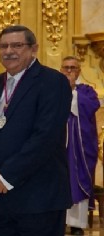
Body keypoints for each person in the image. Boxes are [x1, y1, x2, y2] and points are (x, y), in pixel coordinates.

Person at [0, 25, 72, 235]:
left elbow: (45, 137)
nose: (9, 51)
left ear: (33, 49)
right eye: (4, 46)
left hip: (38, 197)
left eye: (17, 45)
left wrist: (7, 175)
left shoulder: (53, 81)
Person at [60, 56, 100, 236]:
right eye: (66, 68)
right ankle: (59, 221)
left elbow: (92, 105)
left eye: (73, 68)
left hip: (81, 147)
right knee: (59, 182)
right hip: (59, 147)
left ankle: (77, 225)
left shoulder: (87, 91)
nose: (69, 71)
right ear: (61, 70)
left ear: (79, 71)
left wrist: (71, 91)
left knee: (78, 181)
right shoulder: (54, 90)